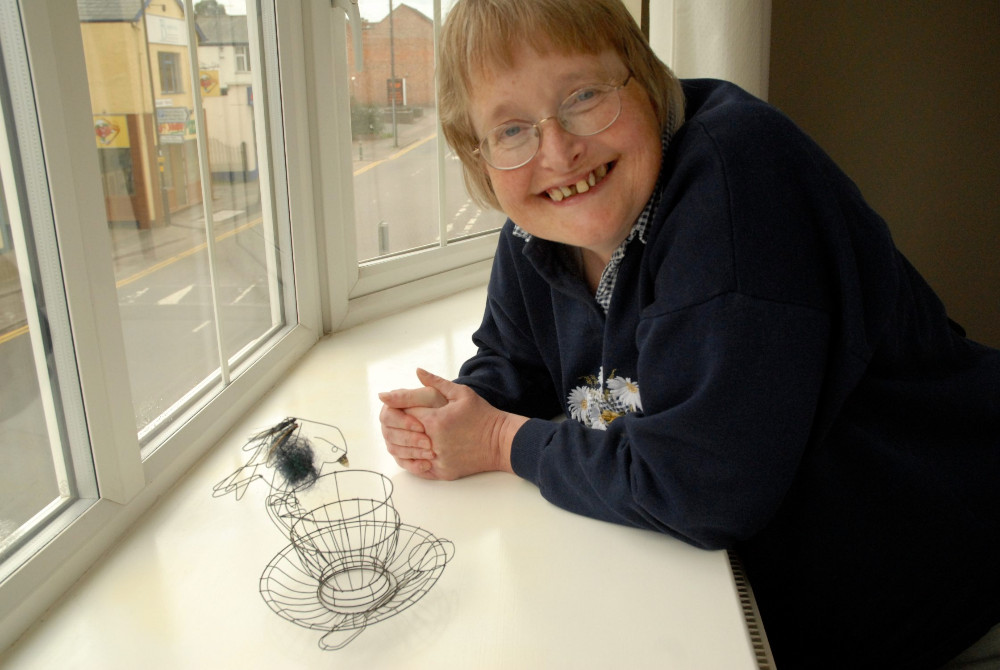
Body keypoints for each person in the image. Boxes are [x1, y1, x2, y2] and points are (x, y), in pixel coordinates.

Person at [377, 0, 1000, 667]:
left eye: (583, 95)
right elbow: (512, 360)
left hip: (954, 582)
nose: (557, 152)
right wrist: (457, 413)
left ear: (642, 77)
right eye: (511, 130)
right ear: (481, 157)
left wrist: (501, 441)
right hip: (805, 594)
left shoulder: (736, 183)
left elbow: (702, 485)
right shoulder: (538, 225)